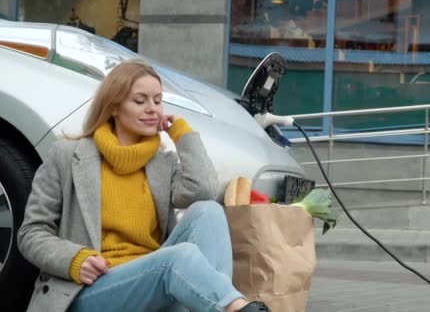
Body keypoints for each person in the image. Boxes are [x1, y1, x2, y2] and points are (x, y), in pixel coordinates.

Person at [17, 60, 270, 312]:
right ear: (114, 107)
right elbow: (31, 232)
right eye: (140, 101)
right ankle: (235, 307)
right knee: (178, 258)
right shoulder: (67, 155)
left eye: (158, 101)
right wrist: (73, 259)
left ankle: (229, 307)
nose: (152, 109)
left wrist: (182, 134)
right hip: (90, 290)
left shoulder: (162, 163)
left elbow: (203, 190)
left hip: (152, 282)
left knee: (209, 211)